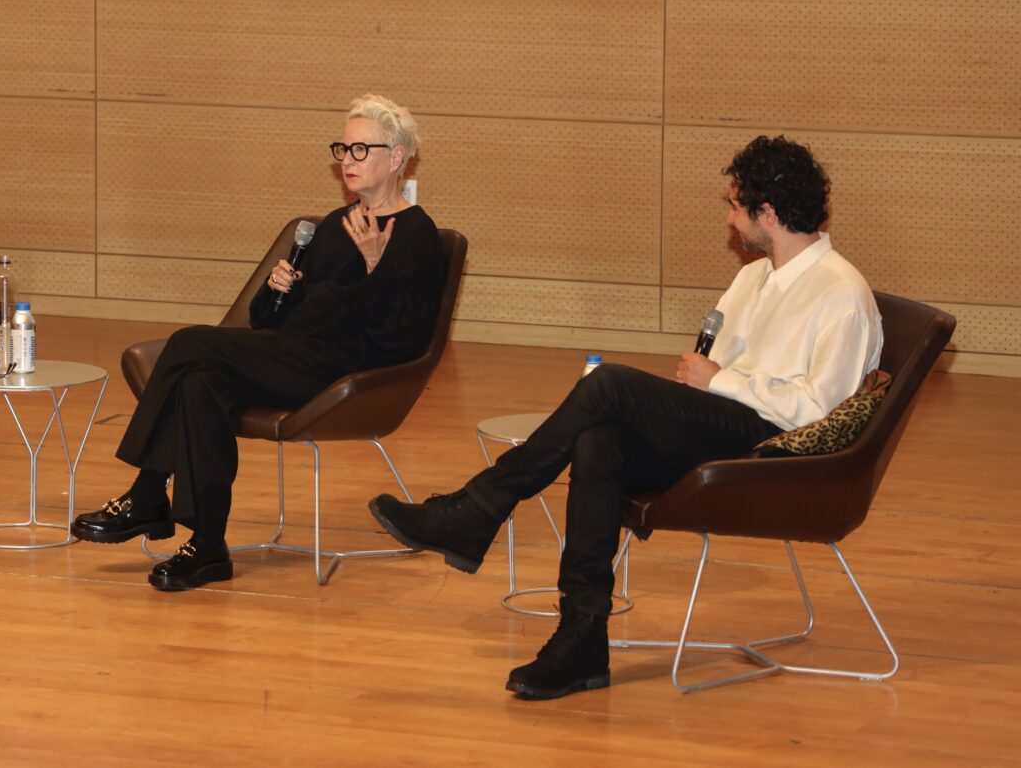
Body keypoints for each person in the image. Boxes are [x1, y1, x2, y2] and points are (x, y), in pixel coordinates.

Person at [369, 135, 882, 699]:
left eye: (736, 206)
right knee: (599, 442)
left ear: (769, 212)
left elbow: (820, 413)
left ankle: (478, 507)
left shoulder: (841, 293)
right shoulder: (755, 277)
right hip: (728, 420)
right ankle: (582, 638)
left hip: (778, 451)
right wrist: (711, 382)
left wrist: (722, 380)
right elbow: (714, 374)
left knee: (609, 382)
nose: (731, 220)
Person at [70, 94, 446, 591]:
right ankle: (207, 547)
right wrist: (278, 292)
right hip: (291, 357)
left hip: (347, 373)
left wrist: (375, 269)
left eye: (361, 150)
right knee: (200, 383)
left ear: (396, 157)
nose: (347, 162)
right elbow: (266, 322)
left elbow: (399, 339)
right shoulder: (334, 227)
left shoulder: (417, 236)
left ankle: (146, 492)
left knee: (186, 344)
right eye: (343, 149)